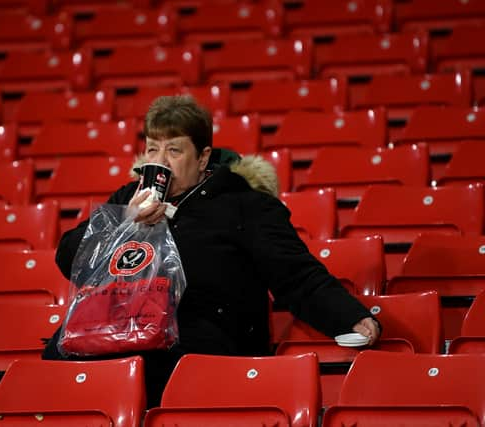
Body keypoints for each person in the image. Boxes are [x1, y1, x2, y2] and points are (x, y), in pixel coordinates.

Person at [44, 95, 381, 407]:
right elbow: (70, 258)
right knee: (55, 368)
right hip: (119, 334)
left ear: (203, 157)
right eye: (152, 150)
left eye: (174, 152)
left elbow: (296, 274)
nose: (160, 162)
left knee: (142, 374)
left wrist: (350, 316)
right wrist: (125, 223)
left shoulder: (244, 205)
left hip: (203, 343)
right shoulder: (126, 199)